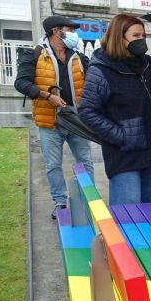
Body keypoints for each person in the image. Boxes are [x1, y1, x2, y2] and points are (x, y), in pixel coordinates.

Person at [79, 14, 151, 205]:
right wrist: (122, 136)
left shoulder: (146, 63)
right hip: (124, 157)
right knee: (128, 216)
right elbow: (87, 111)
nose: (141, 40)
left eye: (143, 36)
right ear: (119, 37)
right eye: (136, 36)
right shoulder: (101, 69)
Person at [15, 15, 94, 219]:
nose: (74, 34)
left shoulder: (79, 56)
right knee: (53, 165)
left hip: (77, 120)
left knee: (85, 162)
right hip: (49, 121)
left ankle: (88, 200)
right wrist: (47, 95)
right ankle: (60, 202)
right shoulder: (33, 55)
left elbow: (95, 80)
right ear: (56, 31)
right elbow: (21, 83)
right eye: (70, 29)